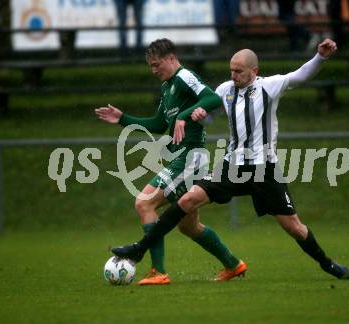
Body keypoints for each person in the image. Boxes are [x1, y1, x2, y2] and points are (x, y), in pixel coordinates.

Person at [111, 38, 349, 280]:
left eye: (238, 71)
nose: (233, 76)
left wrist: (320, 57)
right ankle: (139, 249)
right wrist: (200, 114)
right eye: (231, 70)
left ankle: (330, 266)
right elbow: (209, 105)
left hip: (263, 169)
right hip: (232, 166)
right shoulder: (226, 89)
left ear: (254, 71)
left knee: (293, 227)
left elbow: (301, 75)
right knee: (187, 199)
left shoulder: (270, 87)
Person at [95, 38, 246, 285]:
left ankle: (158, 272)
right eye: (151, 66)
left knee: (144, 203)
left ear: (171, 58)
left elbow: (212, 98)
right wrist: (123, 118)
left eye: (157, 64)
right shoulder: (167, 88)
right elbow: (158, 124)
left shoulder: (184, 76)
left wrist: (185, 116)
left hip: (190, 159)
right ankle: (233, 264)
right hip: (185, 160)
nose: (154, 70)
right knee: (189, 227)